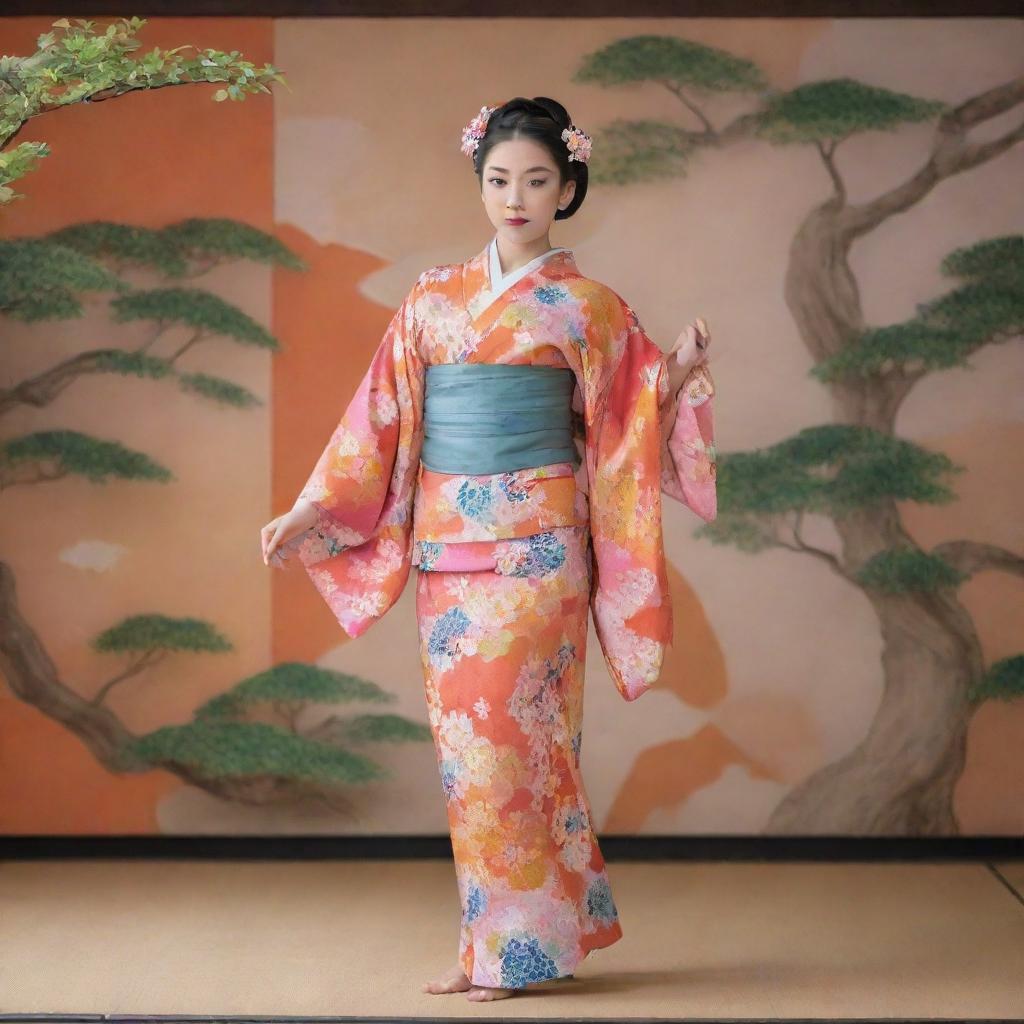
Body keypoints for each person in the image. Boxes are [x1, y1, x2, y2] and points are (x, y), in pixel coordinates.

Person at [260, 97, 716, 1002]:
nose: (516, 197)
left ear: (567, 188)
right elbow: (377, 422)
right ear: (481, 183)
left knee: (518, 744)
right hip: (447, 558)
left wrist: (678, 377)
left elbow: (627, 417)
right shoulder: (431, 300)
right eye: (500, 180)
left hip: (540, 556)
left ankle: (517, 951)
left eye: (537, 181)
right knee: (470, 754)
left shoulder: (587, 306)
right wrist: (312, 508)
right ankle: (490, 944)